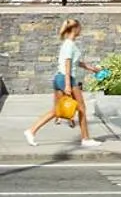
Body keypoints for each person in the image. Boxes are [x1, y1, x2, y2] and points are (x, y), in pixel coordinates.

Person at [27, 18, 99, 147]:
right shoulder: (69, 44)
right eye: (80, 28)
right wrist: (67, 84)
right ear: (75, 29)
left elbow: (75, 62)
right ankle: (86, 139)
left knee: (57, 110)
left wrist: (91, 68)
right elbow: (67, 64)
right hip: (66, 78)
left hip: (60, 78)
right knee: (82, 108)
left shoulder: (69, 44)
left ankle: (31, 131)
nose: (81, 30)